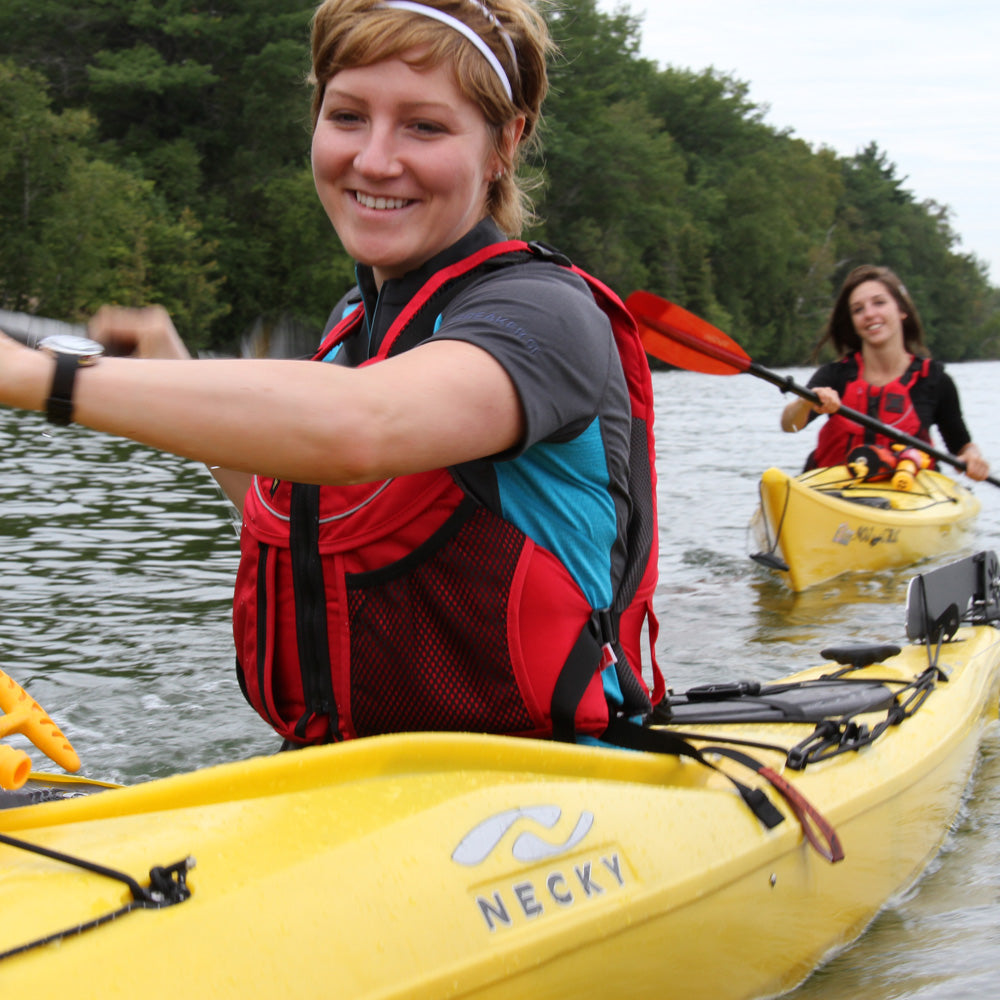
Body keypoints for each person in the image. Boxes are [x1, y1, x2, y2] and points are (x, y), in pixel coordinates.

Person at [0, 0, 661, 749]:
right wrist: (174, 376)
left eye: (424, 126)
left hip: (552, 775)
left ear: (504, 143)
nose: (375, 160)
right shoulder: (355, 320)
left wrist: (36, 376)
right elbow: (311, 514)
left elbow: (360, 425)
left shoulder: (545, 315)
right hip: (355, 772)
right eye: (347, 116)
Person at [780, 263, 990, 481]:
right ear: (853, 322)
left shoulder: (935, 381)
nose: (869, 314)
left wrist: (972, 457)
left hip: (906, 492)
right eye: (858, 310)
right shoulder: (835, 376)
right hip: (834, 492)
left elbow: (961, 446)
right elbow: (790, 425)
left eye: (879, 303)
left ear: (901, 310)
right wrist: (805, 402)